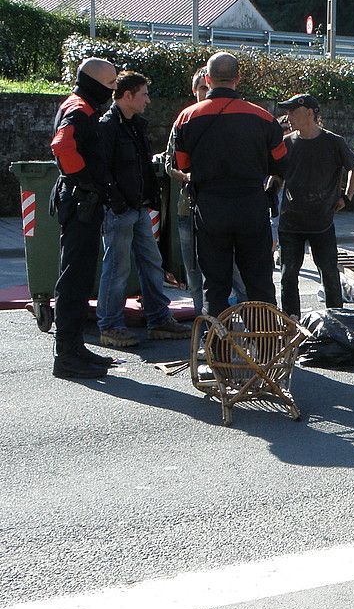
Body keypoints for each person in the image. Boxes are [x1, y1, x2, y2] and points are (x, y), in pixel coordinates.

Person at [172, 52, 288, 314]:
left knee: (215, 285)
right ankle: (265, 346)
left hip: (210, 207)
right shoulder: (263, 118)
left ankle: (218, 348)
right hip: (251, 205)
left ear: (208, 79)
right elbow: (281, 162)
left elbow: (183, 165)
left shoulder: (186, 118)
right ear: (238, 78)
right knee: (259, 283)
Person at [92, 72, 191, 347]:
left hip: (136, 207)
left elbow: (140, 166)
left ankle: (159, 319)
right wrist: (117, 202)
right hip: (121, 209)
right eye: (144, 94)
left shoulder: (135, 125)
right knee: (117, 267)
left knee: (151, 263)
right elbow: (101, 169)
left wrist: (147, 199)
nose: (148, 99)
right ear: (127, 95)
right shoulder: (109, 126)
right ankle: (110, 326)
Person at [48, 57, 119, 378]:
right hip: (80, 202)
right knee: (75, 279)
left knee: (79, 275)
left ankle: (75, 348)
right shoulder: (80, 108)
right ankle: (66, 355)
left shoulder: (81, 104)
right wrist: (86, 181)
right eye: (109, 84)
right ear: (92, 83)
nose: (114, 89)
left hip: (80, 201)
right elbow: (62, 146)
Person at [164, 68, 247, 314]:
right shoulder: (185, 120)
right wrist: (191, 176)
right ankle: (206, 329)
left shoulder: (234, 118)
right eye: (201, 89)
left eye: (207, 88)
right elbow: (170, 164)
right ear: (195, 90)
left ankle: (250, 328)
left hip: (227, 206)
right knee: (194, 271)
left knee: (236, 271)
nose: (206, 93)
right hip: (190, 206)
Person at [274, 95, 354, 318]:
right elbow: (277, 175)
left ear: (310, 113)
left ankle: (335, 322)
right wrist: (269, 189)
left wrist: (347, 196)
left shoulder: (333, 142)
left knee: (330, 274)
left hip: (322, 221)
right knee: (288, 276)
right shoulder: (287, 143)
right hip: (290, 222)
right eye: (288, 111)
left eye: (294, 111)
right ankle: (291, 323)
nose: (288, 116)